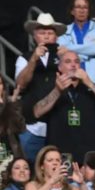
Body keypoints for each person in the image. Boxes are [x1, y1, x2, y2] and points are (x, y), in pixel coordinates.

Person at [31, 50, 95, 163]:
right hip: (59, 157)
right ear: (60, 67)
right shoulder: (51, 87)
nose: (73, 65)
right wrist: (57, 91)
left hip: (88, 157)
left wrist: (90, 84)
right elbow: (37, 111)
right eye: (68, 62)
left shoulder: (89, 88)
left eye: (76, 62)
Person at [15, 13, 65, 161]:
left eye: (50, 33)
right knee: (28, 168)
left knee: (59, 172)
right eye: (42, 33)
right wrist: (34, 59)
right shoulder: (24, 58)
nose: (46, 36)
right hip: (32, 126)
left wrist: (65, 57)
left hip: (59, 125)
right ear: (35, 36)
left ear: (56, 37)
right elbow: (21, 84)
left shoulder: (64, 57)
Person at [57, 0, 95, 86]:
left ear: (88, 11)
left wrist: (68, 49)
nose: (82, 10)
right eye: (78, 7)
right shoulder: (64, 30)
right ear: (72, 11)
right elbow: (61, 53)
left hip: (93, 80)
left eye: (85, 7)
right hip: (69, 80)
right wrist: (87, 53)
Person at [0, 80, 25, 161]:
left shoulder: (9, 106)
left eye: (0, 83)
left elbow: (21, 128)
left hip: (10, 155)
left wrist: (13, 103)